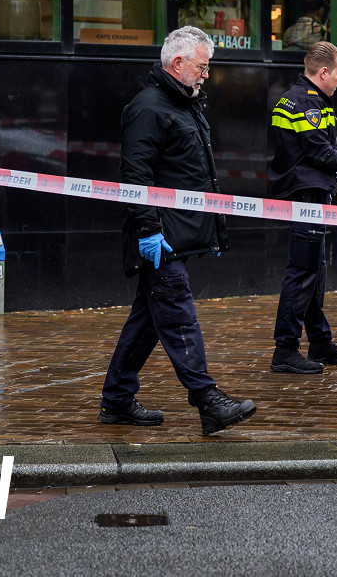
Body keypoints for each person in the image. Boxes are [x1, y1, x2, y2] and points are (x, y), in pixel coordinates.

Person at [99, 26, 256, 435]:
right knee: (178, 315)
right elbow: (136, 174)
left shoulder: (184, 104)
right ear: (178, 63)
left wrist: (211, 225)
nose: (206, 75)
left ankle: (117, 399)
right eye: (202, 67)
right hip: (160, 236)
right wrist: (148, 227)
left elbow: (192, 173)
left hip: (177, 232)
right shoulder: (149, 108)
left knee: (148, 320)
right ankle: (207, 399)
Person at [267, 41, 337, 374]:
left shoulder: (302, 98)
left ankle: (319, 341)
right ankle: (285, 350)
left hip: (310, 192)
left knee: (315, 271)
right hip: (308, 195)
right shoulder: (308, 103)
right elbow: (321, 153)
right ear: (323, 72)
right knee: (303, 271)